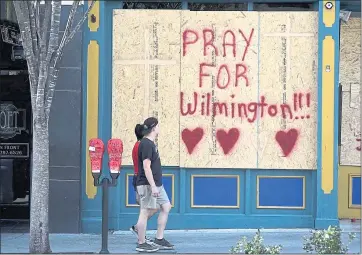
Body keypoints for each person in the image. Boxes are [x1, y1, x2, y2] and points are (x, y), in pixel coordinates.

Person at [135, 117, 174, 252]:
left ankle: (159, 238)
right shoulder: (146, 144)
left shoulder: (151, 143)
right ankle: (141, 243)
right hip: (147, 184)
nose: (159, 128)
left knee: (166, 206)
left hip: (157, 183)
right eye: (158, 126)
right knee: (145, 211)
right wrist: (152, 186)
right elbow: (146, 167)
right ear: (154, 128)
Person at [129, 124, 156, 244]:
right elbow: (146, 165)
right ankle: (140, 236)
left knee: (145, 209)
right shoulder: (142, 145)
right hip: (142, 179)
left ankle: (140, 234)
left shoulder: (137, 145)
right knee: (146, 210)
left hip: (137, 178)